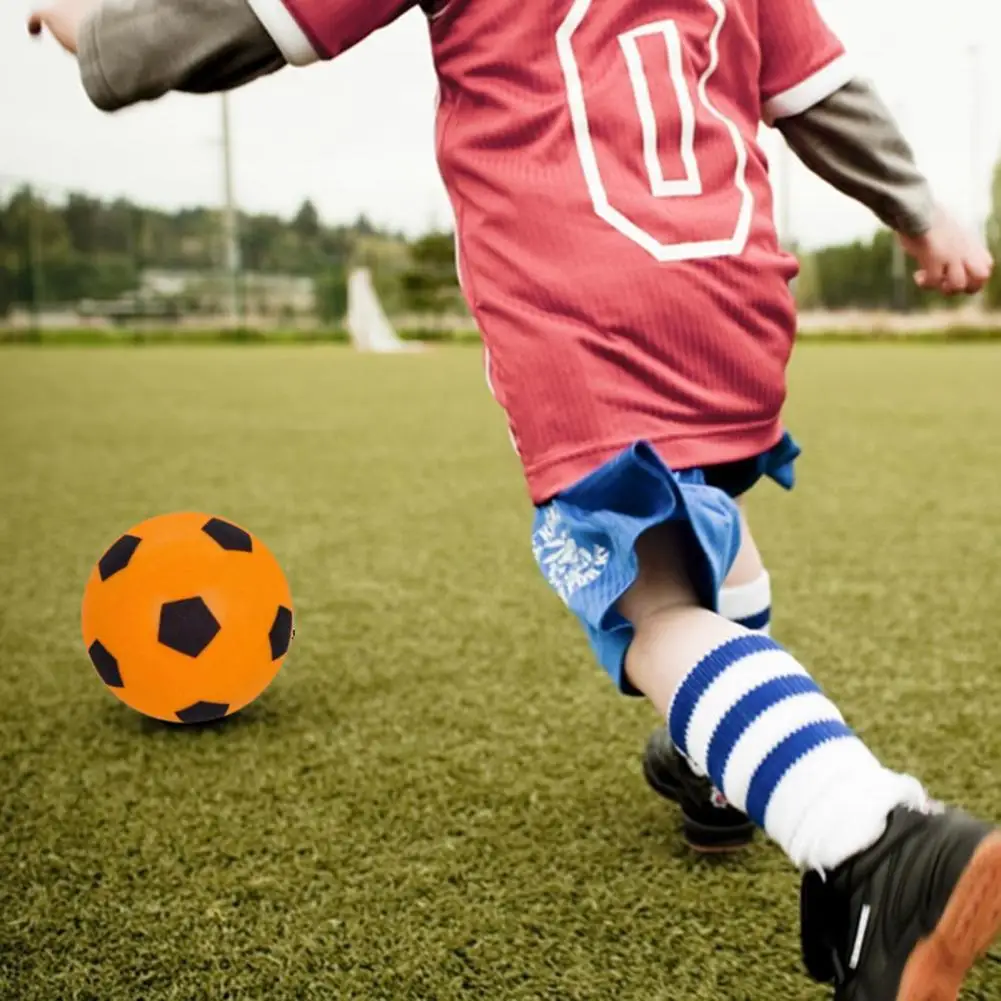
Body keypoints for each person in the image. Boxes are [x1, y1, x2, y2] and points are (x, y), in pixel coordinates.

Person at [29, 0, 998, 995]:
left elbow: (259, 19)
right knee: (688, 496)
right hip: (733, 289)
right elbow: (818, 92)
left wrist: (95, 34)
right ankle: (717, 765)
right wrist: (921, 213)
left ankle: (874, 836)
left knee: (652, 604)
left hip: (583, 307)